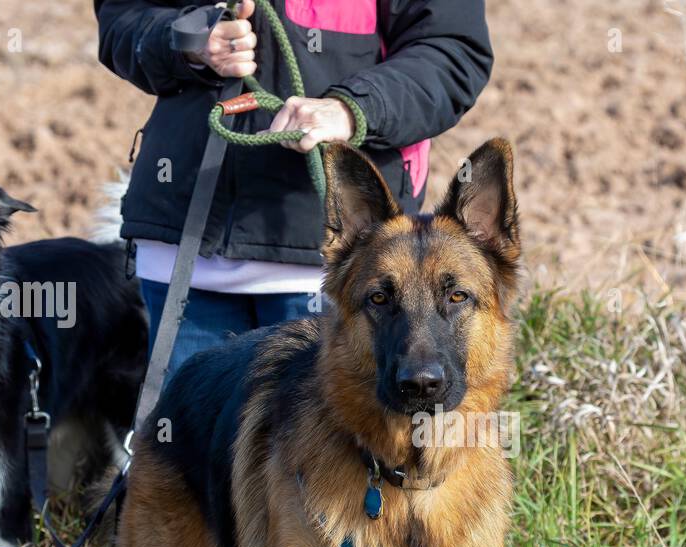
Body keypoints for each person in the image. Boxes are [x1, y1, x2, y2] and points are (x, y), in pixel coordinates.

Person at [94, 0, 493, 371]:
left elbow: (451, 49)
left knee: (326, 445)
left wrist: (351, 109)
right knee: (183, 444)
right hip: (182, 251)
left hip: (335, 267)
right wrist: (187, 42)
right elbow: (124, 17)